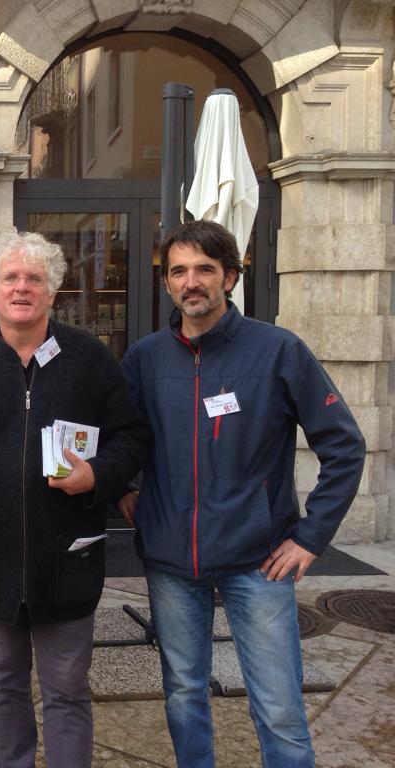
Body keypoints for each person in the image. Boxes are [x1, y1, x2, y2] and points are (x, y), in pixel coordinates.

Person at [119, 220, 366, 767]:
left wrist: (310, 537)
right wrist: (124, 490)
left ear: (230, 277)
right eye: (178, 271)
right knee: (183, 694)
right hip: (170, 559)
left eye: (205, 269)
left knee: (278, 706)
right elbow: (121, 438)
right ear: (167, 282)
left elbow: (345, 447)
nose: (191, 282)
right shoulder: (144, 358)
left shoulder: (278, 350)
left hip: (259, 561)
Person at [0, 231, 149, 768]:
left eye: (34, 278)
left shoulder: (90, 360)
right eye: (11, 278)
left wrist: (97, 475)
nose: (22, 287)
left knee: (66, 689)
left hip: (67, 560)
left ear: (52, 292)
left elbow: (132, 438)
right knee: (3, 684)